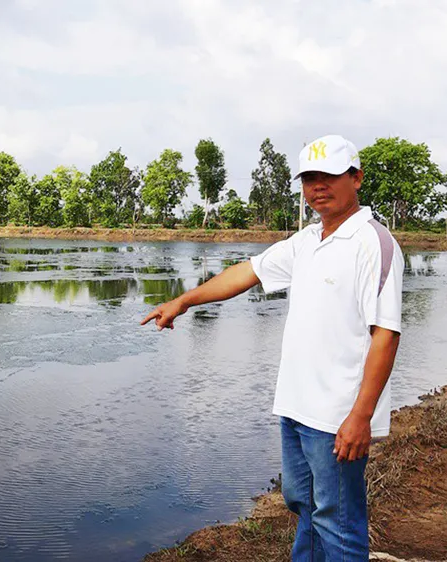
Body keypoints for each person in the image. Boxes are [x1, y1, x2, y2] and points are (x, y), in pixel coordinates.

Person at [141, 134, 403, 560]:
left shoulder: (373, 243)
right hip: (296, 409)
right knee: (304, 508)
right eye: (309, 178)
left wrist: (360, 417)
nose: (317, 186)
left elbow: (386, 334)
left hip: (336, 417)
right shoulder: (307, 241)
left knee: (339, 523)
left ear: (355, 178)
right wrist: (183, 301)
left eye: (329, 176)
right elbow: (246, 273)